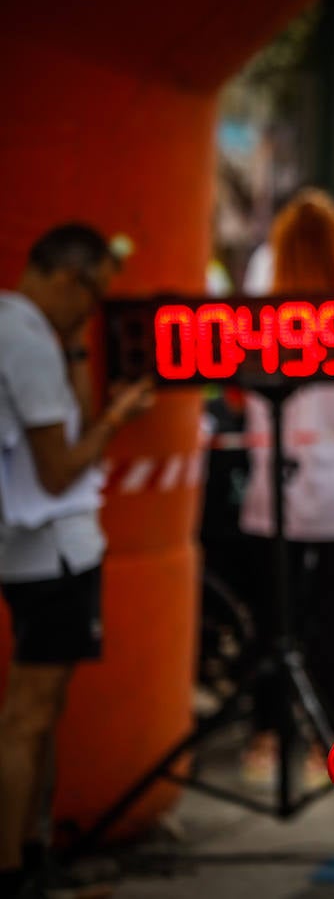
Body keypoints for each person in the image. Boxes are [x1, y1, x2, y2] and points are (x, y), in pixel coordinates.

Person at [0, 223, 154, 899]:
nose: (91, 314)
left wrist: (76, 351)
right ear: (66, 279)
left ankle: (33, 852)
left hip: (41, 549)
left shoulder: (33, 334)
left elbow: (72, 420)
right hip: (51, 551)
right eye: (91, 299)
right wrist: (117, 421)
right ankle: (14, 866)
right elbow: (61, 466)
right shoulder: (24, 341)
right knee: (29, 713)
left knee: (44, 709)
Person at [237, 191, 334, 781]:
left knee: (274, 618)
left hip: (273, 478)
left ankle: (264, 739)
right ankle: (324, 746)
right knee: (328, 620)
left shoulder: (261, 299)